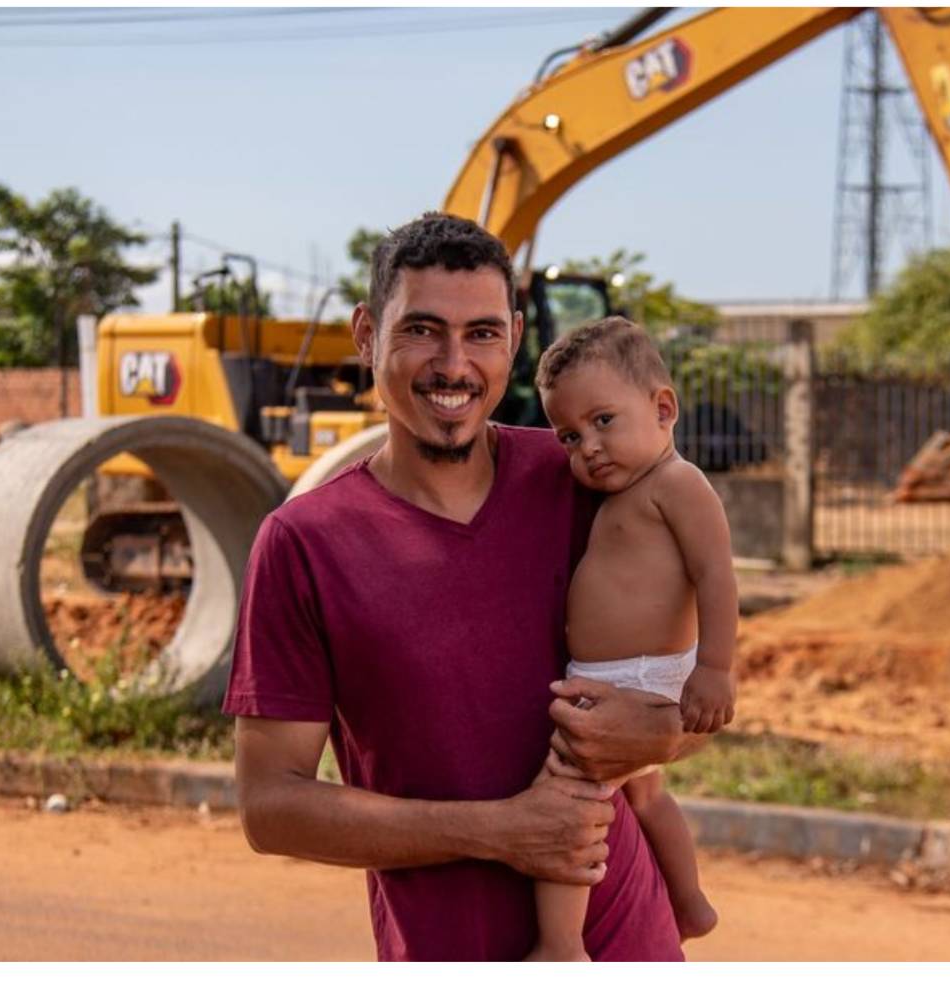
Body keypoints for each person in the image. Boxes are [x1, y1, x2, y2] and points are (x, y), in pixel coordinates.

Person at [226, 213, 692, 961]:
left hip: (628, 944)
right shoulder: (303, 543)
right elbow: (270, 806)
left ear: (515, 338)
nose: (454, 365)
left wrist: (665, 733)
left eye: (482, 334)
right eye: (422, 330)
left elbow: (698, 693)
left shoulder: (587, 483)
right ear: (366, 334)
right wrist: (501, 832)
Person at [528, 318, 736, 960]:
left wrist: (715, 669)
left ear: (663, 409)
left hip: (632, 678)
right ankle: (689, 903)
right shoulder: (628, 488)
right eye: (570, 436)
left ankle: (561, 946)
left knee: (566, 802)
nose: (588, 447)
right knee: (647, 795)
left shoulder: (678, 483)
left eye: (603, 421)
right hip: (623, 673)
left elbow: (716, 574)